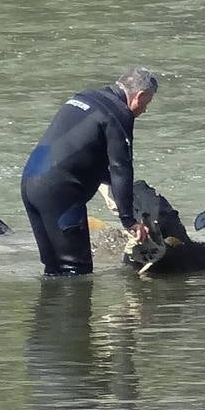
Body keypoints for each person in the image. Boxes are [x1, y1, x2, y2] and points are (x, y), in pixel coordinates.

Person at [21, 66, 157, 276]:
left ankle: (47, 309)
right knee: (76, 270)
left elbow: (83, 151)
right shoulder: (119, 114)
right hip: (60, 192)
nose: (144, 110)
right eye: (146, 103)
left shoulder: (85, 97)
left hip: (31, 182)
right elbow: (120, 168)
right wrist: (129, 220)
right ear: (139, 95)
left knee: (53, 268)